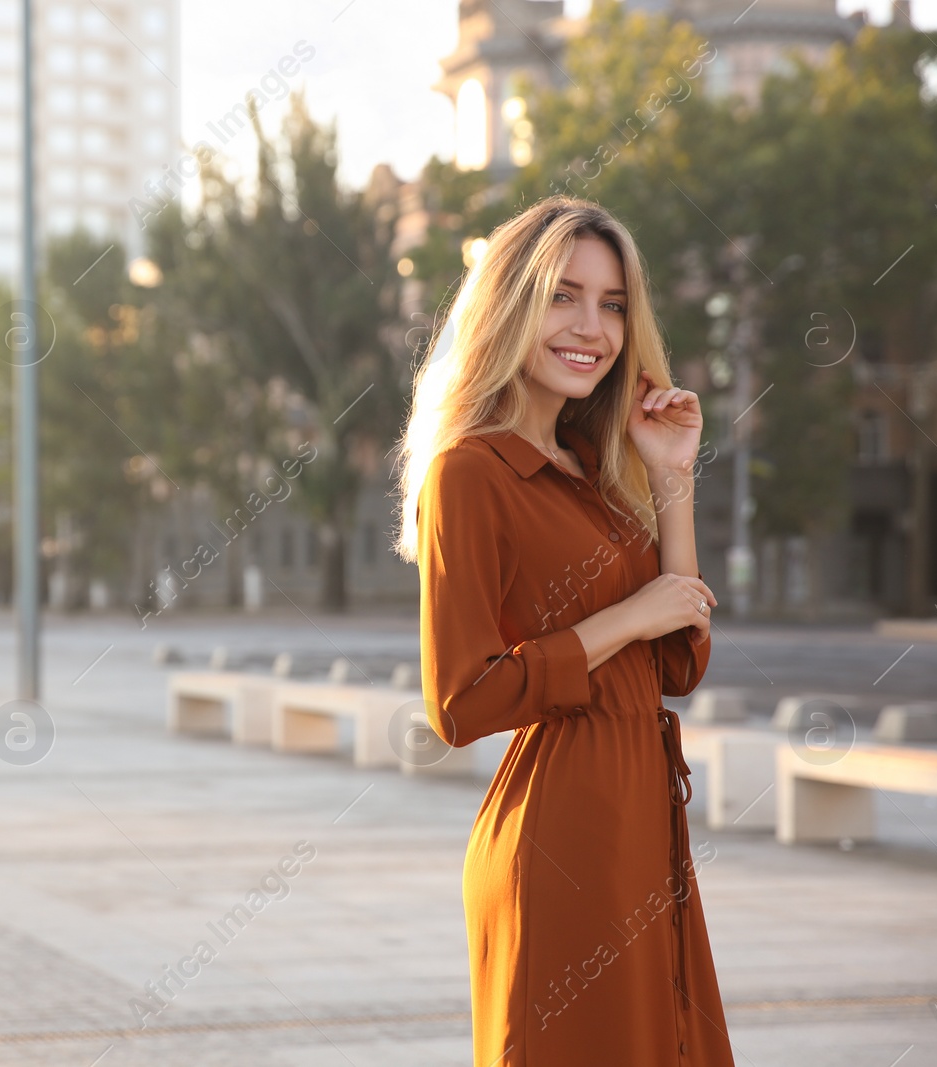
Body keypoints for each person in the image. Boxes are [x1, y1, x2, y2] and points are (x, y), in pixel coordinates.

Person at [394, 197, 735, 1065]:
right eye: (563, 296)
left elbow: (677, 658)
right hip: (562, 838)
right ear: (511, 306)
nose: (593, 326)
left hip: (640, 826)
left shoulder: (594, 470)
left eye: (613, 303)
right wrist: (623, 617)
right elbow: (459, 702)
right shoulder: (469, 475)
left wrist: (671, 480)